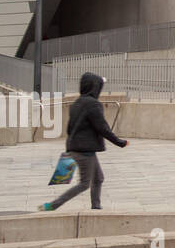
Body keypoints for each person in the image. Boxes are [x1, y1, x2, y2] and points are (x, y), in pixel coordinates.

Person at [41, 73, 128, 211]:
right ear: (95, 87)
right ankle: (53, 205)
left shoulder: (76, 103)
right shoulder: (93, 104)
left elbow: (70, 128)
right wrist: (119, 142)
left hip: (75, 148)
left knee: (98, 178)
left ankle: (96, 207)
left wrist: (69, 149)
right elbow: (103, 128)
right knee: (84, 184)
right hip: (84, 151)